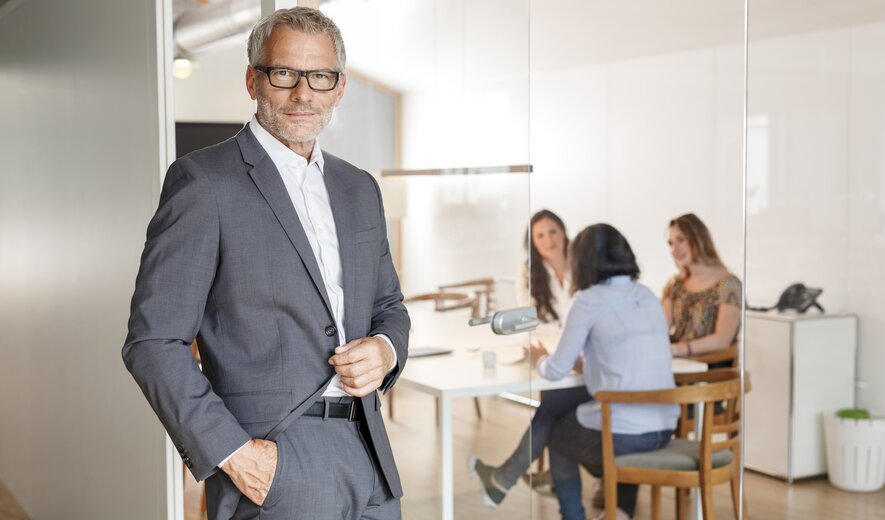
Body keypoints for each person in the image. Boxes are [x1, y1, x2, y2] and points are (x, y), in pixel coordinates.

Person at [122, 8, 410, 520]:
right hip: (275, 459)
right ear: (253, 80)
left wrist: (385, 351)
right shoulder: (203, 182)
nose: (303, 94)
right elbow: (153, 342)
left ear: (339, 87)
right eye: (285, 74)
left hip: (373, 455)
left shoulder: (359, 188)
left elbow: (389, 305)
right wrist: (236, 454)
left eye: (320, 77)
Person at [530, 224, 679, 520]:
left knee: (558, 434)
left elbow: (556, 369)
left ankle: (575, 516)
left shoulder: (587, 300)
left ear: (581, 261)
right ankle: (619, 512)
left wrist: (538, 358)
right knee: (598, 422)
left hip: (627, 434)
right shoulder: (647, 295)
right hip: (664, 427)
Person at [468, 209, 590, 507]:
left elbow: (590, 315)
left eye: (553, 232)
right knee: (555, 409)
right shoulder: (529, 272)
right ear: (532, 243)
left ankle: (506, 478)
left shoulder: (583, 264)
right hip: (553, 353)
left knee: (553, 411)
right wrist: (565, 338)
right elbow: (532, 321)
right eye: (540, 236)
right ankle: (560, 500)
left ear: (564, 232)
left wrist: (571, 338)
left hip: (585, 356)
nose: (548, 240)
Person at [662, 213, 741, 366]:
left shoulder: (728, 284)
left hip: (712, 372)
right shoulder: (675, 285)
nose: (674, 249)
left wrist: (679, 350)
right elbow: (659, 328)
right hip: (677, 368)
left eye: (680, 240)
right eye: (670, 243)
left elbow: (722, 339)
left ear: (699, 239)